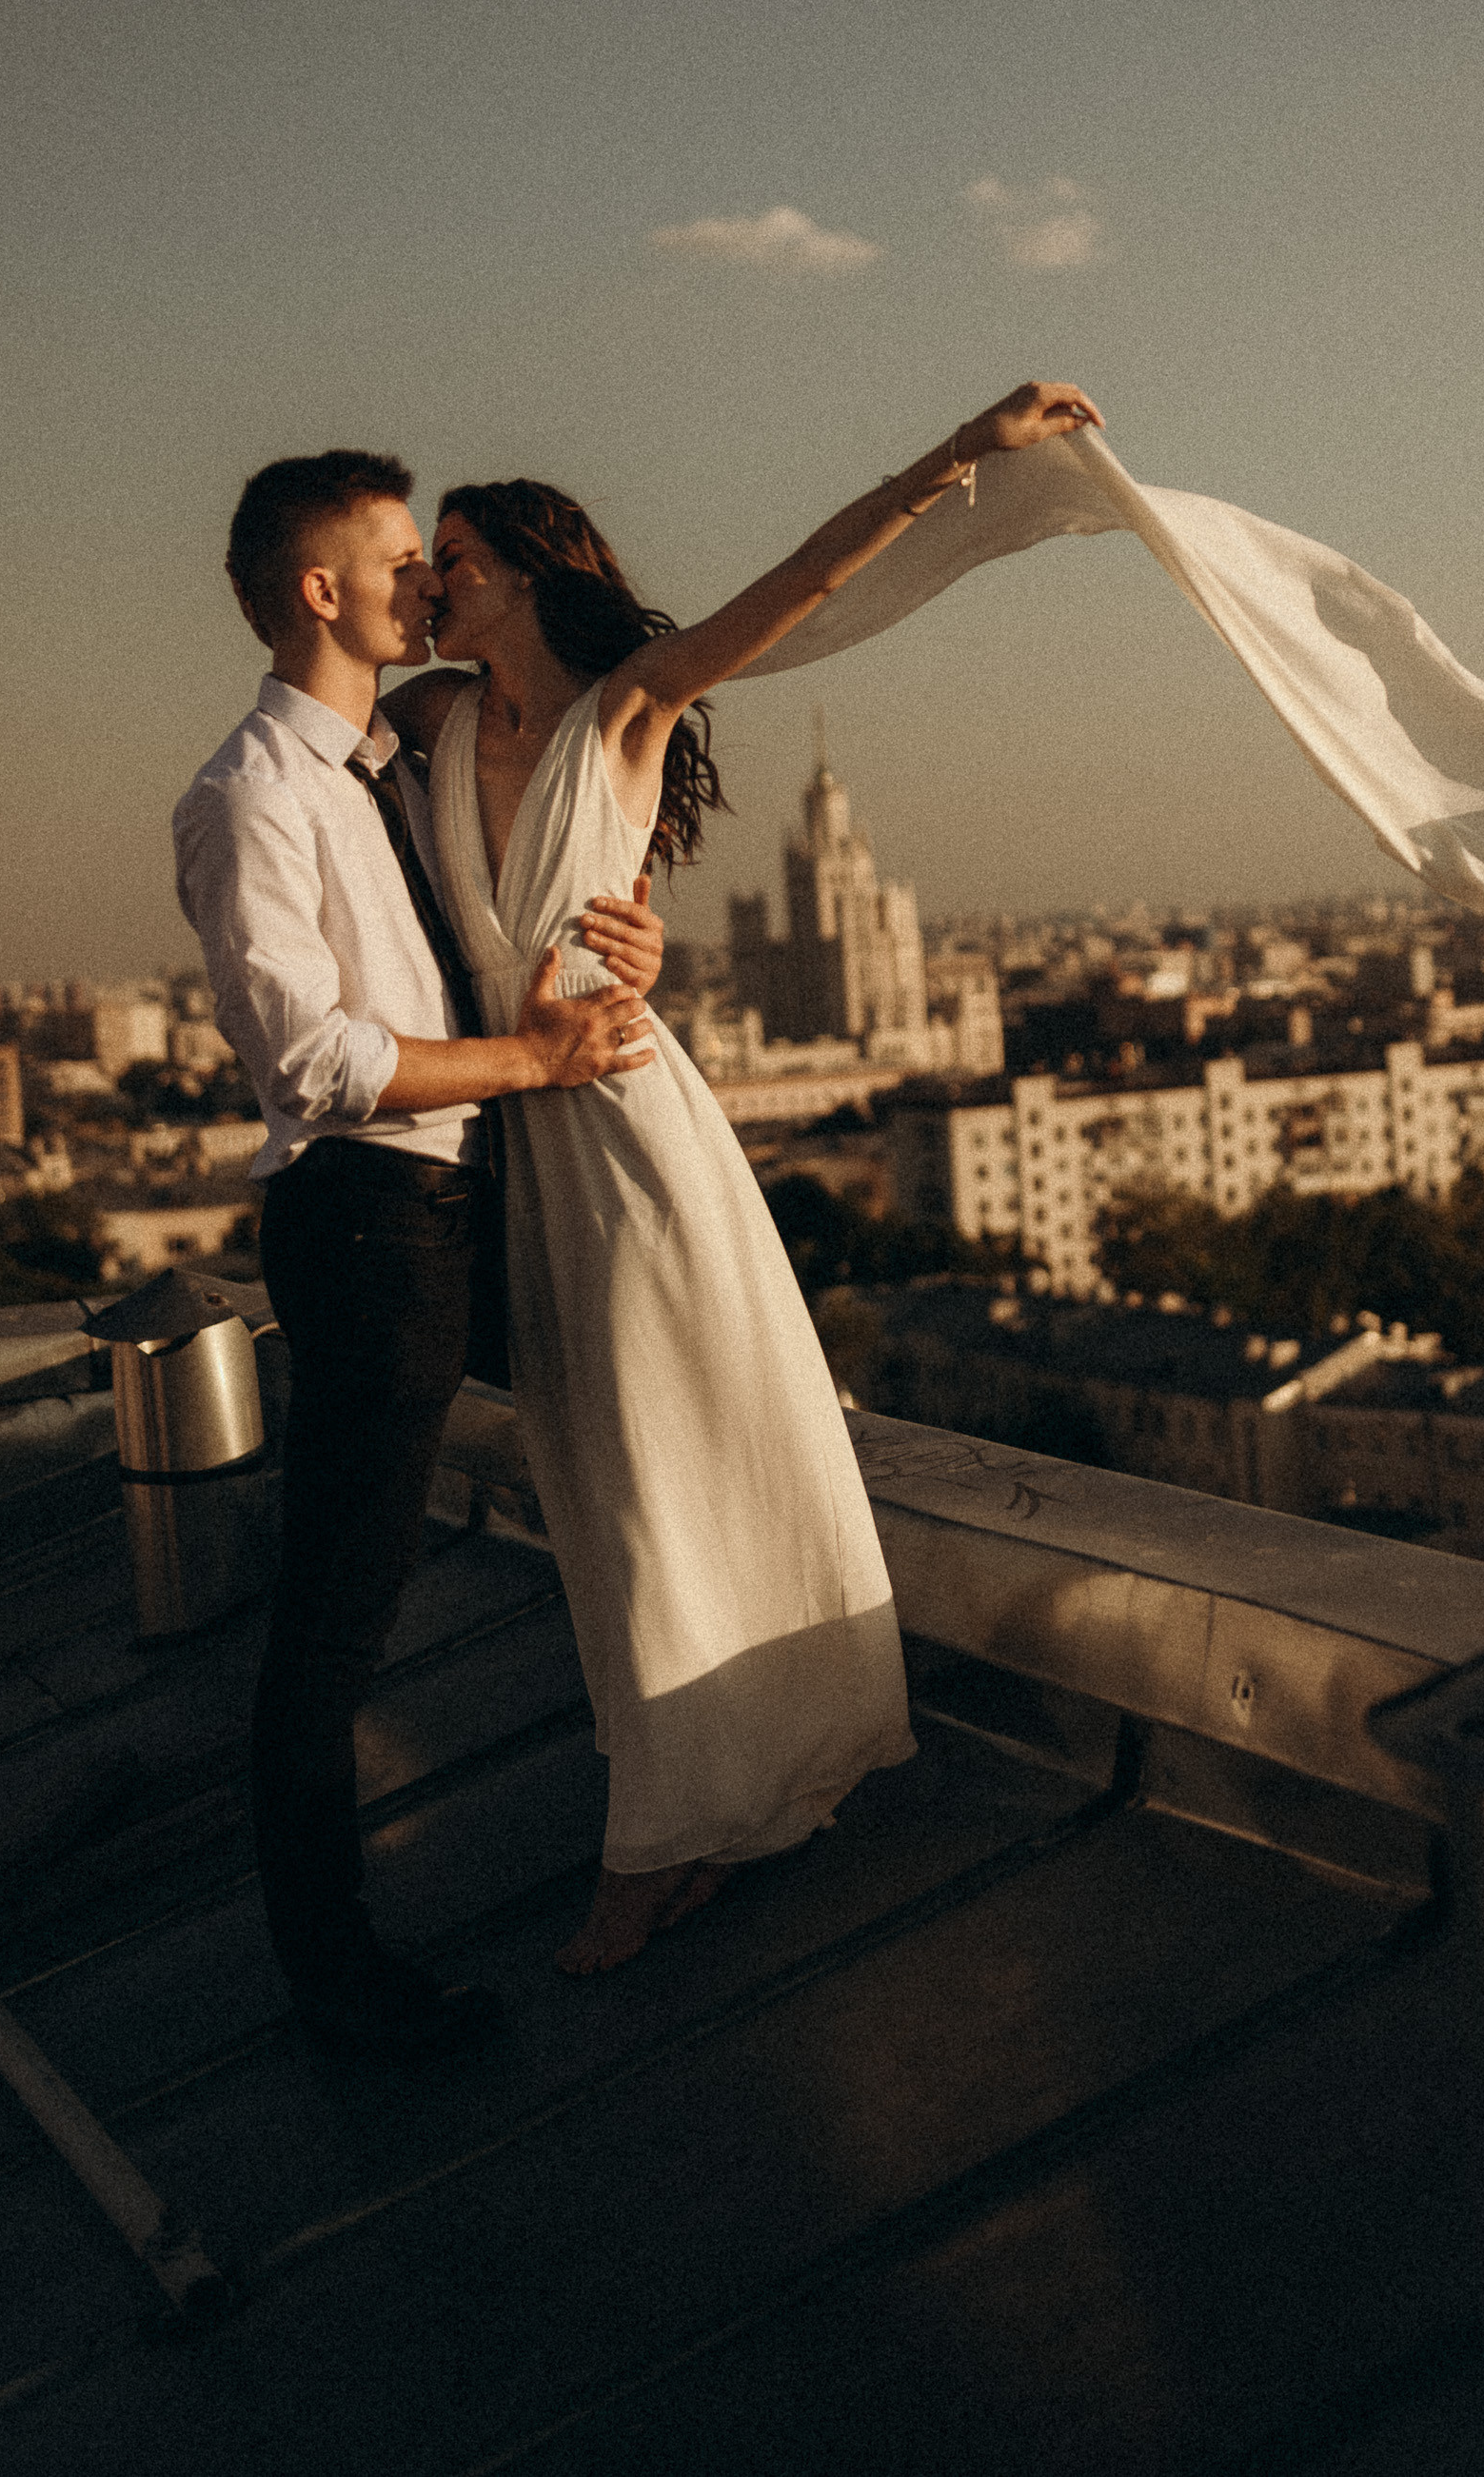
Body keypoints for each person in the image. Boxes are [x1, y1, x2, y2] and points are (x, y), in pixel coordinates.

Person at [386, 382, 1103, 1971]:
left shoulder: (625, 704)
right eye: (422, 565)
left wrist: (952, 459)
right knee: (598, 1482)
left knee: (667, 1465)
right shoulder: (429, 724)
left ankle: (657, 1843)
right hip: (523, 1130)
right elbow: (312, 688)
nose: (432, 586)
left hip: (633, 1133)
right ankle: (710, 1794)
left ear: (524, 568)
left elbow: (797, 591)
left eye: (454, 559)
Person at [173, 447, 667, 2056]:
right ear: (323, 590)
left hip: (470, 1198)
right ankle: (335, 1982)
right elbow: (311, 1061)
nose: (425, 583)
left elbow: (500, 925)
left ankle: (695, 1803)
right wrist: (536, 1066)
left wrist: (614, 939)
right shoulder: (249, 794)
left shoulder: (401, 759)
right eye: (398, 558)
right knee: (336, 1620)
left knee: (641, 1438)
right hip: (374, 1223)